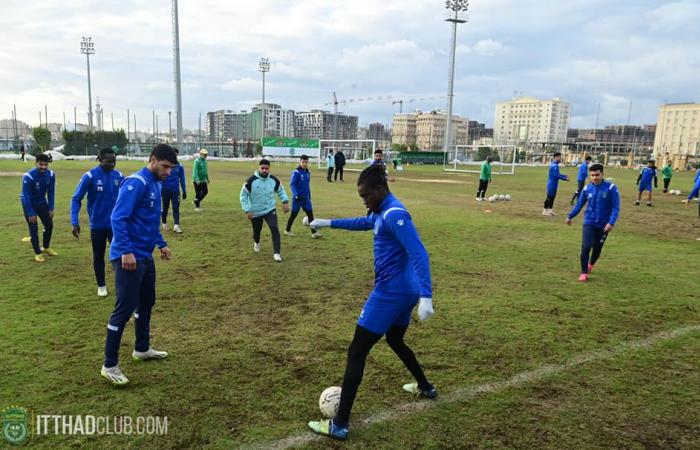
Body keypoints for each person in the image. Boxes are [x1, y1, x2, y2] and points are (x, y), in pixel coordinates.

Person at [306, 165, 436, 441]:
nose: (363, 200)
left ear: (379, 190)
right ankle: (426, 387)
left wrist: (427, 294)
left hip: (392, 293)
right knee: (395, 340)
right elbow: (363, 223)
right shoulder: (380, 212)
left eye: (366, 195)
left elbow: (419, 252)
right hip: (404, 291)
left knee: (356, 352)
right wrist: (328, 222)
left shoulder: (395, 214)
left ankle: (339, 424)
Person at [101, 144, 177, 386]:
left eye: (171, 169)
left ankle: (142, 348)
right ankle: (109, 364)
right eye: (165, 166)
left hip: (144, 256)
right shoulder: (137, 182)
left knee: (147, 302)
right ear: (152, 160)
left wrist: (161, 243)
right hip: (128, 257)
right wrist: (126, 251)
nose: (168, 172)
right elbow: (118, 217)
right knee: (124, 309)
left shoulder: (156, 182)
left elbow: (149, 220)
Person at [70, 147, 124, 296]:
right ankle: (101, 285)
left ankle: (121, 284)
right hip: (98, 225)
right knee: (98, 256)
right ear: (100, 159)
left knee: (120, 254)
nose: (112, 164)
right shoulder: (90, 176)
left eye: (114, 161)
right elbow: (76, 199)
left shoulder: (119, 176)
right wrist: (74, 221)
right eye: (109, 162)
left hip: (116, 225)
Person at [566, 163, 620, 282]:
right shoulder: (587, 188)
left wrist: (611, 223)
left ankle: (590, 264)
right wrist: (570, 216)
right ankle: (584, 272)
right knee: (586, 246)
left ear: (602, 174)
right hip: (589, 222)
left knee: (597, 248)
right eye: (592, 175)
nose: (595, 177)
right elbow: (579, 205)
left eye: (597, 175)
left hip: (604, 224)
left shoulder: (611, 188)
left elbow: (616, 207)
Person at [240, 159, 290, 262]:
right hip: (255, 212)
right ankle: (257, 242)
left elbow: (281, 191)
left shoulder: (273, 180)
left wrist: (285, 201)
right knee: (256, 233)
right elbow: (243, 196)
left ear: (269, 169)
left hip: (270, 209)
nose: (264, 170)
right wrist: (247, 210)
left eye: (266, 168)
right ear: (259, 168)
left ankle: (277, 253)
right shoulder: (251, 181)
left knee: (274, 228)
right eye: (262, 168)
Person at [20, 153, 57, 262]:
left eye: (46, 165)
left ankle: (45, 247)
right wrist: (31, 213)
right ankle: (37, 253)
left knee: (49, 224)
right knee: (33, 227)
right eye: (41, 165)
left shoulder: (50, 174)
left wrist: (51, 207)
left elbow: (51, 192)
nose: (44, 167)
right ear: (36, 163)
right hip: (29, 203)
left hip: (42, 202)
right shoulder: (28, 176)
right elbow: (26, 196)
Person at [285, 155, 322, 239]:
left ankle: (314, 233)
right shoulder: (296, 172)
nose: (305, 164)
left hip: (306, 199)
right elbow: (292, 184)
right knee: (293, 215)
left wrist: (309, 196)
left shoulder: (308, 172)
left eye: (306, 162)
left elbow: (307, 186)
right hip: (297, 199)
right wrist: (295, 194)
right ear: (300, 162)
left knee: (310, 215)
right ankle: (287, 230)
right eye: (303, 162)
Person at [161, 148, 187, 233]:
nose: (174, 156)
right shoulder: (165, 165)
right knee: (165, 207)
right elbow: (160, 177)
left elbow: (182, 178)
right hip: (165, 190)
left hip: (175, 190)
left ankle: (176, 225)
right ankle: (164, 222)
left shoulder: (179, 165)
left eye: (176, 154)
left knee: (176, 207)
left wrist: (184, 191)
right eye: (173, 154)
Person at [542, 152, 569, 216]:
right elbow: (556, 175)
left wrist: (564, 176)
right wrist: (565, 178)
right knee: (549, 197)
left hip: (554, 183)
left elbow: (557, 174)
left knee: (552, 197)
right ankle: (545, 211)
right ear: (556, 157)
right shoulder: (554, 166)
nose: (560, 158)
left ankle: (550, 211)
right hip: (552, 184)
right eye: (559, 157)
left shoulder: (555, 165)